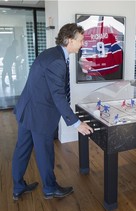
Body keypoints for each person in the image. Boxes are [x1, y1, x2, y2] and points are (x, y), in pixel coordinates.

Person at [12, 23, 94, 201]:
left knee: (22, 149)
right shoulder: (57, 61)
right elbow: (58, 96)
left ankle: (18, 187)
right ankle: (49, 188)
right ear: (70, 40)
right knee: (44, 153)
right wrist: (76, 123)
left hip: (27, 109)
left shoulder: (51, 53)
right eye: (81, 40)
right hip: (39, 114)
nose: (83, 43)